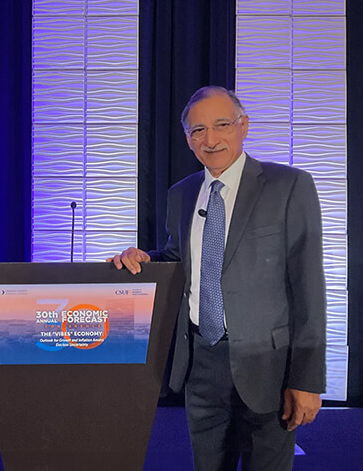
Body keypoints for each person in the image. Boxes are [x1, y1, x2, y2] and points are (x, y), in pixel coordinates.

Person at [109, 86, 326, 471]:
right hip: (200, 362)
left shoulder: (289, 186)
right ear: (188, 139)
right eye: (198, 131)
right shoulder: (182, 193)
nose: (210, 139)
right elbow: (179, 260)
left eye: (222, 125)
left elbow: (309, 288)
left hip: (268, 365)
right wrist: (144, 258)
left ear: (243, 126)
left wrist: (307, 380)